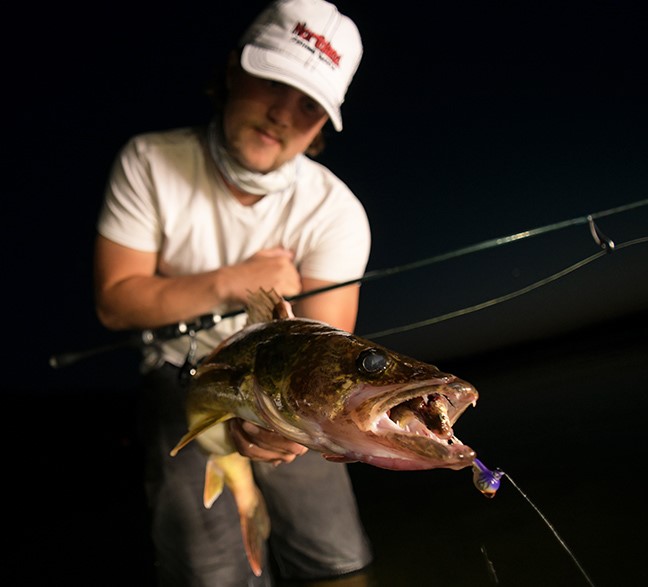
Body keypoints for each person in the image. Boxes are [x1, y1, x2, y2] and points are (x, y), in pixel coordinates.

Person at [93, 1, 374, 585]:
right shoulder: (149, 161)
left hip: (287, 405)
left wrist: (268, 426)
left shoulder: (337, 213)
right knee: (212, 573)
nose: (282, 114)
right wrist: (230, 281)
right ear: (232, 72)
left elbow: (329, 359)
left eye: (309, 105)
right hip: (184, 382)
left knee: (340, 563)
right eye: (273, 81)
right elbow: (115, 301)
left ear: (323, 124)